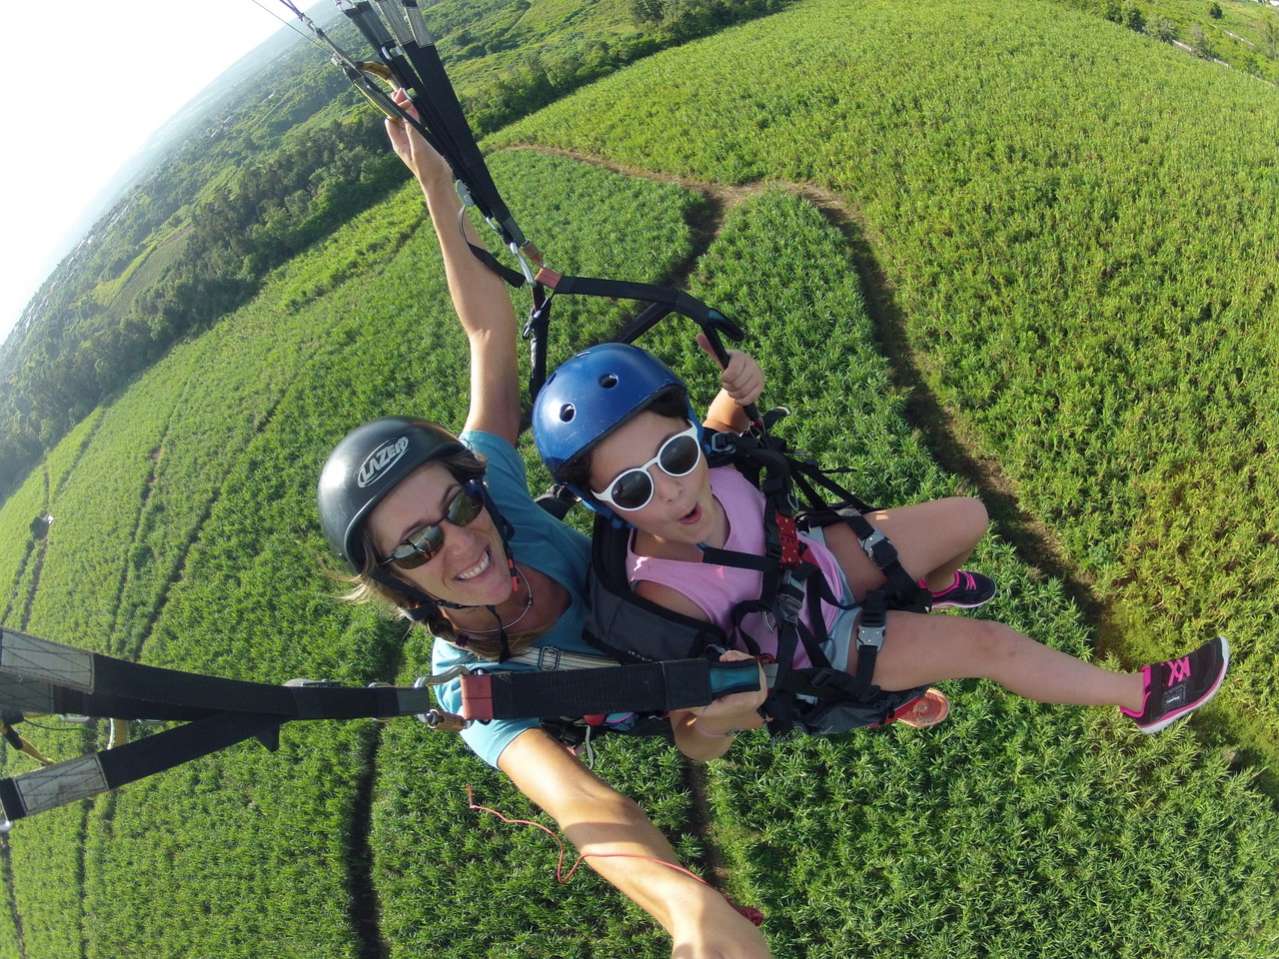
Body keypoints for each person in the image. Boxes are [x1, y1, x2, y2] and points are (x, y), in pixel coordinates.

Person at [316, 91, 774, 958]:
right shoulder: (473, 690)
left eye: (455, 506)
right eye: (416, 546)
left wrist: (436, 186)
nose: (459, 541)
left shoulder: (497, 495)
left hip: (683, 588)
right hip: (676, 687)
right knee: (729, 703)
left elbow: (489, 334)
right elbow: (586, 808)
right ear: (394, 583)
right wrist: (683, 907)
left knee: (729, 485)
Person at [530, 342, 1231, 762]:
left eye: (675, 453)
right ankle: (1140, 697)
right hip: (818, 644)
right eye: (631, 487)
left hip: (817, 561)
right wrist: (718, 710)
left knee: (967, 515)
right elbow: (692, 738)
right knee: (988, 645)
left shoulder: (707, 450)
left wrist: (737, 384)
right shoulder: (662, 591)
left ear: (687, 433)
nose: (672, 490)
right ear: (602, 507)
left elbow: (722, 416)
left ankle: (919, 591)